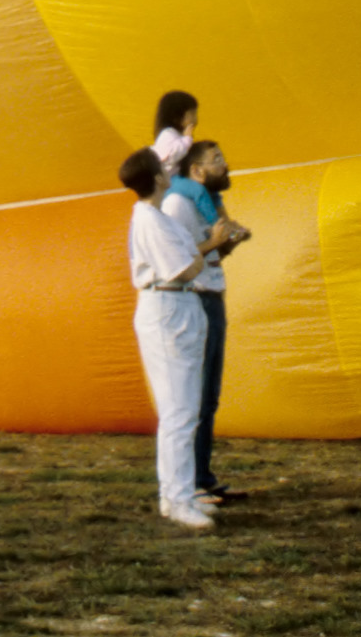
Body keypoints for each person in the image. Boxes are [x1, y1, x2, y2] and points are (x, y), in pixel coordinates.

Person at [120, 146, 229, 531]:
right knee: (179, 411)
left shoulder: (156, 217)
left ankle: (176, 493)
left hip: (180, 307)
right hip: (168, 308)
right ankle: (178, 497)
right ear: (157, 178)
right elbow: (185, 268)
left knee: (184, 407)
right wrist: (209, 248)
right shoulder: (150, 219)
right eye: (163, 168)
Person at [160, 140, 249, 506]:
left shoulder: (209, 202)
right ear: (196, 170)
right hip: (194, 298)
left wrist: (229, 243)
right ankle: (190, 482)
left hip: (213, 295)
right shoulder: (177, 204)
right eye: (217, 160)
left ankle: (203, 476)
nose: (225, 165)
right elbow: (177, 258)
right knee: (193, 396)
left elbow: (211, 252)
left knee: (209, 396)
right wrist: (214, 241)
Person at [149, 92, 197, 188]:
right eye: (192, 114)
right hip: (171, 182)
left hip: (176, 181)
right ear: (179, 117)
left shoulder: (176, 135)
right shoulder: (167, 134)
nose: (196, 119)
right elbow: (171, 154)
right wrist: (186, 139)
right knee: (198, 191)